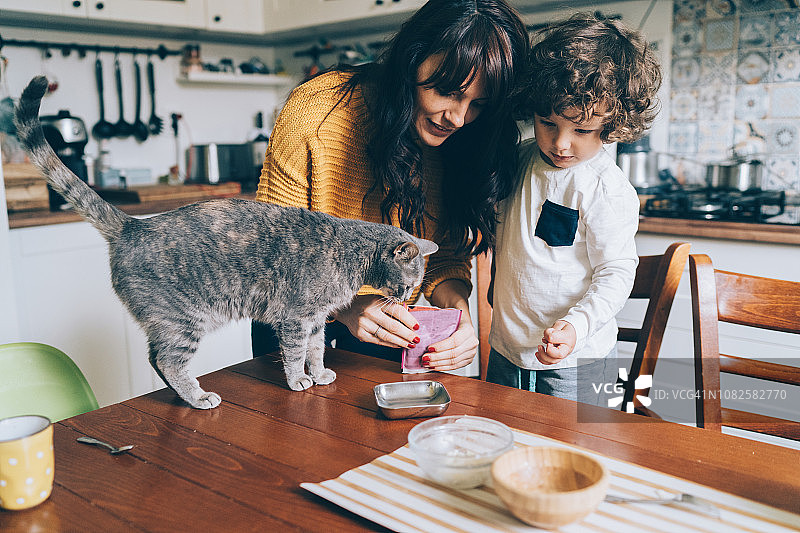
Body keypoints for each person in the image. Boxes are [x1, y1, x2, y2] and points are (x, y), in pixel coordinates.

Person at [253, 0, 529, 371]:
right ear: (412, 60)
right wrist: (347, 306)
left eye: (478, 104)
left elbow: (445, 256)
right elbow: (269, 255)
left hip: (389, 323)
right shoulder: (317, 112)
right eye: (447, 90)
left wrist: (457, 309)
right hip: (293, 320)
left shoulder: (465, 138)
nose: (459, 118)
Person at [487, 12, 662, 404]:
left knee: (575, 456)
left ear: (614, 123)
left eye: (582, 130)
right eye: (548, 123)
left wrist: (575, 327)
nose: (561, 143)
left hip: (578, 362)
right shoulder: (517, 161)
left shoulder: (606, 189)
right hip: (506, 351)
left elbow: (616, 272)